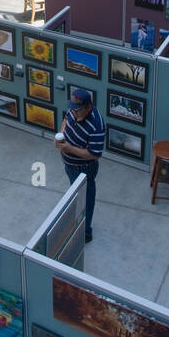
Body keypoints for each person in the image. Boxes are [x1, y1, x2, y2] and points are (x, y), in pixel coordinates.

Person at [56, 87, 104, 243]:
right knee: (77, 197)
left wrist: (69, 148)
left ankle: (85, 233)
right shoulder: (74, 111)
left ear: (89, 107)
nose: (74, 112)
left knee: (86, 201)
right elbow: (65, 120)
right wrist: (60, 136)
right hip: (70, 166)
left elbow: (93, 154)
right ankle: (77, 223)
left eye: (78, 110)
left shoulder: (96, 124)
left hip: (84, 170)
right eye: (73, 108)